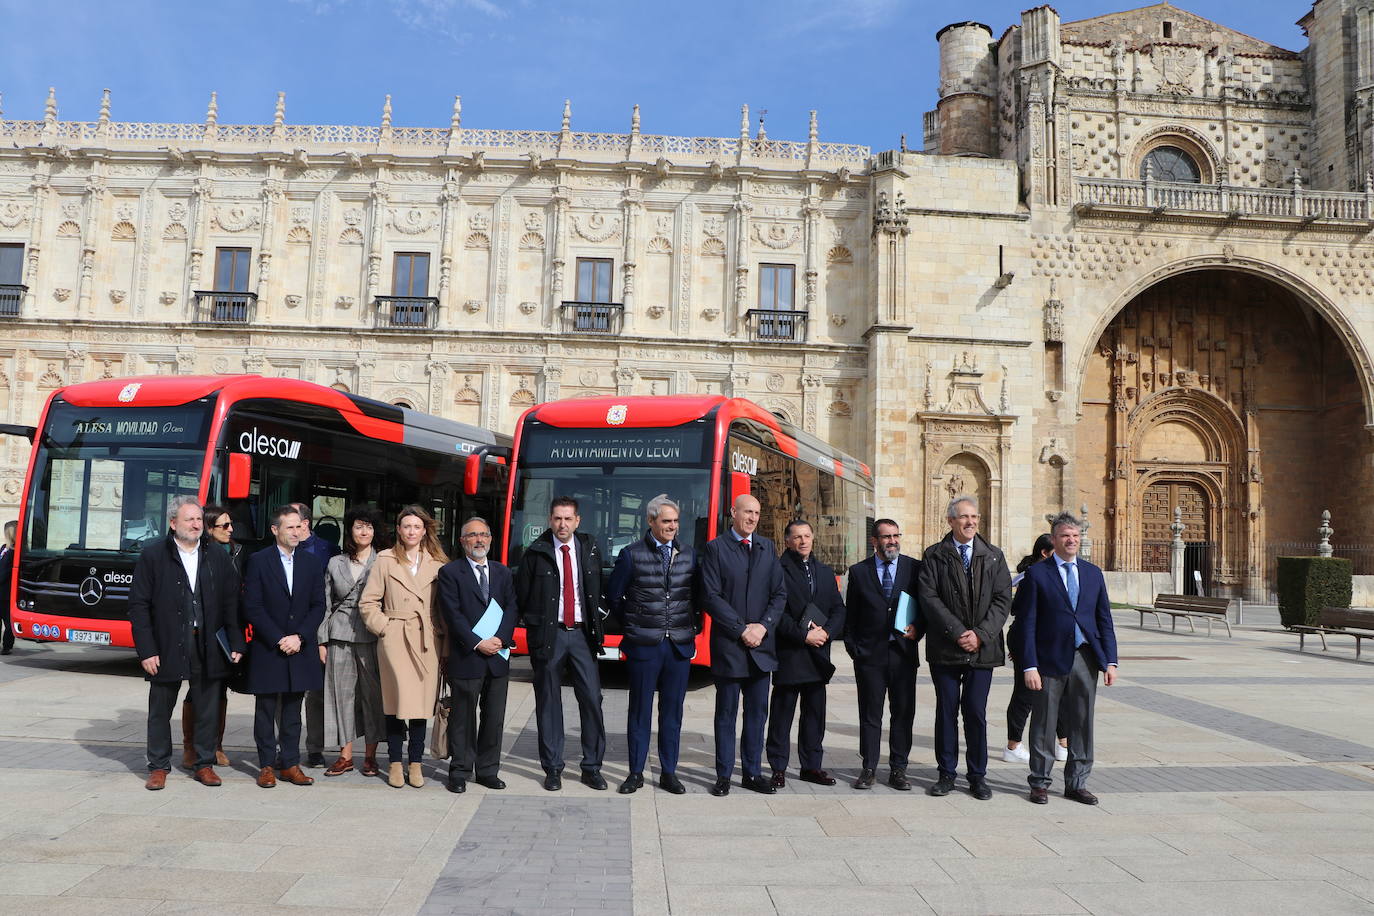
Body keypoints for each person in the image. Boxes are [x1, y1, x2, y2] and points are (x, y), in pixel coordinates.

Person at [129, 497, 245, 790]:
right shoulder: (154, 555)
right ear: (173, 524)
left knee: (207, 707)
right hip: (167, 644)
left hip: (207, 644)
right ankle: (158, 766)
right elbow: (139, 605)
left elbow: (231, 601)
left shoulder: (216, 554)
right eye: (189, 520)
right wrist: (147, 649)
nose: (196, 525)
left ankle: (204, 764)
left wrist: (236, 641)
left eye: (198, 519)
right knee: (160, 708)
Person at [1012, 512, 1119, 806]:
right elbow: (1026, 623)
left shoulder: (1093, 573)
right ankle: (1040, 783)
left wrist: (1111, 661)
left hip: (1085, 658)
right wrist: (1029, 665)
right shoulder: (1037, 574)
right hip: (1047, 660)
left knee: (1083, 722)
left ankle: (1077, 782)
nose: (1071, 540)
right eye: (1065, 536)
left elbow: (1103, 620)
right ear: (1054, 540)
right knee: (1044, 721)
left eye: (1075, 535)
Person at [918, 496, 1012, 801]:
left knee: (975, 711)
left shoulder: (994, 556)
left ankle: (977, 776)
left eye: (974, 517)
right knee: (946, 711)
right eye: (963, 517)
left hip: (982, 650)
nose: (970, 522)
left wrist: (981, 634)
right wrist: (958, 632)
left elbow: (1002, 600)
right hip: (946, 647)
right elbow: (929, 598)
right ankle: (946, 773)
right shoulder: (934, 556)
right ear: (950, 521)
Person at [606, 494, 697, 795]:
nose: (672, 526)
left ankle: (669, 772)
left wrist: (687, 625)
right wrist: (634, 625)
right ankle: (635, 772)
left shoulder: (688, 554)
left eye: (675, 521)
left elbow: (693, 596)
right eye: (666, 521)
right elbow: (614, 597)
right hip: (644, 645)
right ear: (651, 522)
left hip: (678, 647)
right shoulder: (631, 554)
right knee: (640, 710)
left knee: (673, 712)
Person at [515, 497, 607, 791]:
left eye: (568, 519)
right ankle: (553, 768)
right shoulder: (535, 553)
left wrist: (601, 620)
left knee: (592, 699)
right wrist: (534, 628)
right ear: (549, 520)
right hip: (549, 636)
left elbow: (598, 590)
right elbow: (522, 596)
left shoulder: (590, 547)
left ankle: (591, 767)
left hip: (582, 636)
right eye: (557, 519)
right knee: (548, 702)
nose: (562, 524)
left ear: (577, 521)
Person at [699, 493, 786, 796]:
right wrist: (740, 630)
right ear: (733, 512)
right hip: (730, 647)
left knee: (757, 714)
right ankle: (723, 775)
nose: (752, 518)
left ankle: (751, 772)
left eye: (757, 513)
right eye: (747, 512)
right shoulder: (715, 549)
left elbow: (779, 595)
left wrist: (762, 626)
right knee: (726, 714)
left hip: (761, 648)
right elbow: (710, 596)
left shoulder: (767, 547)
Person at [359, 505, 446, 789]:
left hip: (426, 641)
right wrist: (385, 628)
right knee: (395, 703)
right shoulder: (385, 560)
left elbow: (444, 605)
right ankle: (395, 761)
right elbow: (368, 602)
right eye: (406, 526)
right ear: (398, 530)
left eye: (416, 527)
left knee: (421, 706)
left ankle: (416, 762)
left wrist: (442, 636)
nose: (411, 531)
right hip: (395, 638)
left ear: (424, 531)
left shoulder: (437, 562)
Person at [242, 504, 326, 788]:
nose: (295, 531)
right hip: (269, 647)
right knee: (265, 710)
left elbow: (318, 606)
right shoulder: (259, 560)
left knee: (293, 711)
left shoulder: (312, 563)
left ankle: (290, 763)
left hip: (300, 648)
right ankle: (266, 764)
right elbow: (253, 606)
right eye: (289, 527)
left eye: (299, 526)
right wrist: (279, 638)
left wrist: (300, 637)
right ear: (275, 530)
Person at [436, 516, 517, 794]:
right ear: (462, 541)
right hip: (467, 656)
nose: (479, 540)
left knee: (494, 719)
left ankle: (487, 771)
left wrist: (501, 639)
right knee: (463, 718)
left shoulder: (503, 572)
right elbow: (452, 614)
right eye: (472, 535)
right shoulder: (450, 572)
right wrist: (476, 642)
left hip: (498, 656)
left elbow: (511, 608)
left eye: (483, 534)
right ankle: (459, 770)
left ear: (491, 539)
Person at [766, 519, 846, 788]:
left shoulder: (824, 571)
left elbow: (838, 608)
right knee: (782, 714)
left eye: (807, 536)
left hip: (818, 655)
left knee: (815, 714)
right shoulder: (777, 569)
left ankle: (812, 766)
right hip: (791, 653)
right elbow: (777, 612)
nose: (803, 541)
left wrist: (827, 633)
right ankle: (778, 766)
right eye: (797, 537)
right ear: (787, 541)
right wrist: (804, 635)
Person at [844, 518, 921, 790]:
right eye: (886, 537)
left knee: (902, 712)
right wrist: (855, 651)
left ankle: (899, 769)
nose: (892, 541)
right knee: (870, 713)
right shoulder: (859, 571)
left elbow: (923, 608)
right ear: (874, 541)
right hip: (870, 657)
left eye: (896, 535)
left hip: (902, 655)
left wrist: (917, 630)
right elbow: (850, 616)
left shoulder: (914, 568)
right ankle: (869, 767)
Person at [319, 507, 385, 778]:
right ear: (350, 531)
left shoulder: (384, 561)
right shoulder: (335, 562)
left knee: (373, 697)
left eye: (369, 527)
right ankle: (345, 756)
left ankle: (370, 756)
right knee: (340, 695)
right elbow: (326, 603)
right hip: (339, 634)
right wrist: (321, 640)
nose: (364, 531)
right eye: (359, 526)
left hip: (372, 636)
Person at [177, 504, 240, 770]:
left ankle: (216, 744)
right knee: (196, 689)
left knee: (220, 690)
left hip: (225, 633)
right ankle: (190, 745)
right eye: (224, 526)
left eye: (230, 524)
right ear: (209, 528)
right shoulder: (200, 554)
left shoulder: (235, 552)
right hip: (198, 632)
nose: (230, 530)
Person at [1005, 534, 1067, 765]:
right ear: (1045, 552)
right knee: (1025, 695)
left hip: (1050, 644)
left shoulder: (1055, 574)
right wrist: (1018, 646)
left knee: (1058, 693)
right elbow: (1019, 613)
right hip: (1030, 643)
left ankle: (1063, 742)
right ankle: (1013, 745)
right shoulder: (1029, 577)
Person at [293, 502, 340, 769]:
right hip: (287, 630)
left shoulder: (328, 551)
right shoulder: (278, 549)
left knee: (316, 694)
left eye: (295, 523)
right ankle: (285, 747)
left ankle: (315, 748)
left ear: (306, 523)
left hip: (317, 630)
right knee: (284, 694)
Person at [0, 520, 16, 654]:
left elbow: (5, 572)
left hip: (5, 593)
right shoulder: (3, 548)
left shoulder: (13, 551)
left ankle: (7, 646)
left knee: (8, 623)